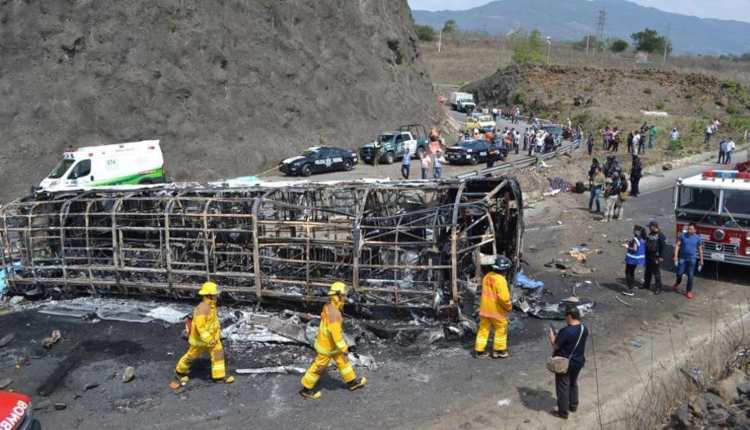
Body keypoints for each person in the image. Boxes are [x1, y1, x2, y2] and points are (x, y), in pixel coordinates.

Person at [300, 282, 367, 399]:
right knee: (319, 367)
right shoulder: (335, 314)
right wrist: (344, 347)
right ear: (338, 295)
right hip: (326, 346)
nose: (346, 298)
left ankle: (352, 382)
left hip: (331, 344)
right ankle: (306, 389)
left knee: (343, 362)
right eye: (344, 295)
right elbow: (335, 334)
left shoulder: (329, 306)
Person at [175, 282, 235, 385]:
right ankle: (180, 371)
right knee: (191, 356)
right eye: (215, 294)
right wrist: (208, 339)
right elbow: (200, 327)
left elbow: (212, 323)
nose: (217, 295)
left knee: (218, 354)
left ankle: (219, 376)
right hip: (200, 340)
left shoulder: (211, 306)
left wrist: (216, 335)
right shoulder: (203, 308)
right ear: (209, 295)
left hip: (213, 338)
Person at [547, 306, 588, 420]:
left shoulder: (566, 331)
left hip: (565, 363)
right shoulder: (584, 329)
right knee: (573, 383)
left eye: (565, 316)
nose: (564, 318)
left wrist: (551, 337)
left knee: (562, 387)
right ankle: (573, 406)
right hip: (578, 361)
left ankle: (563, 413)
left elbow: (556, 345)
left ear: (570, 316)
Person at [473, 256, 513, 359]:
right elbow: (504, 298)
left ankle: (479, 351)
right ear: (504, 269)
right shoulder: (501, 280)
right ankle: (499, 351)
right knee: (501, 329)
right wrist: (508, 307)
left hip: (484, 309)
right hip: (496, 311)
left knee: (483, 329)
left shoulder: (487, 276)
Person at [672, 223, 704, 300]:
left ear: (695, 230)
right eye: (688, 228)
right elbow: (677, 246)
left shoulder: (698, 238)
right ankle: (677, 282)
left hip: (692, 259)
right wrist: (676, 256)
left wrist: (701, 260)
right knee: (679, 273)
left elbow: (700, 250)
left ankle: (688, 291)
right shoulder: (682, 236)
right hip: (682, 258)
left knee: (690, 276)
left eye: (691, 229)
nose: (689, 230)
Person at [643, 220, 666, 295]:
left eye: (650, 227)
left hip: (655, 256)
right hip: (648, 255)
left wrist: (661, 256)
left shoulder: (660, 235)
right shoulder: (650, 234)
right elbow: (647, 242)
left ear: (653, 227)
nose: (649, 228)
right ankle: (646, 285)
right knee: (647, 271)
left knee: (656, 273)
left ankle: (658, 288)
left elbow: (663, 247)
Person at [623, 225, 646, 296]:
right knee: (632, 272)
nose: (633, 231)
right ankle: (631, 287)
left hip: (632, 259)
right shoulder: (642, 238)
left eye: (634, 230)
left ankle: (630, 290)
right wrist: (630, 241)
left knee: (628, 273)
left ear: (636, 231)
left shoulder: (636, 238)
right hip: (637, 260)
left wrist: (627, 246)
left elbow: (635, 249)